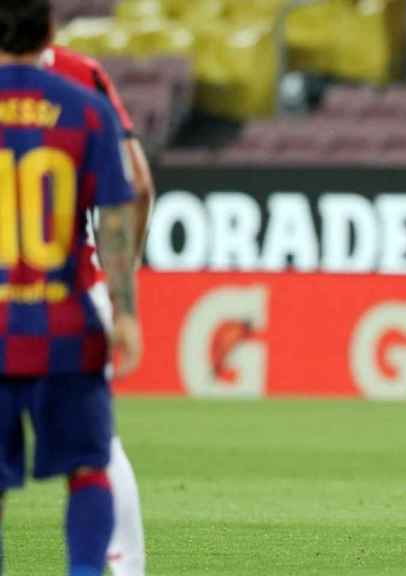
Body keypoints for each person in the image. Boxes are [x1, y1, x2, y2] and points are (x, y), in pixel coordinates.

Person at [0, 1, 142, 575]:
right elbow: (116, 214)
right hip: (66, 321)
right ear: (52, 31)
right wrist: (126, 314)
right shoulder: (85, 108)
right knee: (89, 465)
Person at [42, 43, 154, 576]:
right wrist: (121, 287)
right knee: (96, 445)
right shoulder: (82, 72)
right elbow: (138, 184)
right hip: (77, 290)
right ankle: (126, 569)